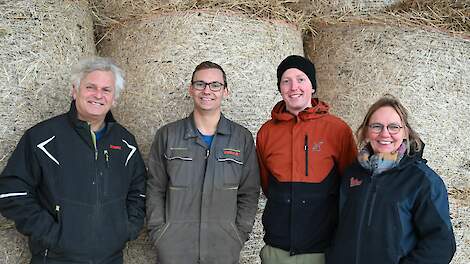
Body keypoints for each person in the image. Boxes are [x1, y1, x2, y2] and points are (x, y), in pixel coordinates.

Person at [0, 57, 146, 264]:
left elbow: (138, 191)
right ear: (74, 90)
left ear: (114, 98)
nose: (98, 95)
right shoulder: (42, 137)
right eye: (90, 87)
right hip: (55, 258)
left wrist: (125, 229)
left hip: (110, 258)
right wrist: (52, 235)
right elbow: (12, 192)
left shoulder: (126, 142)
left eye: (106, 90)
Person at [146, 61, 260, 264]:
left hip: (223, 250)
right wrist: (160, 234)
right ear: (191, 89)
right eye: (200, 84)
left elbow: (249, 192)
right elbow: (155, 188)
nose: (207, 90)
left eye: (215, 85)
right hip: (174, 252)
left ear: (226, 91)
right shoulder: (168, 135)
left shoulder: (241, 138)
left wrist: (238, 234)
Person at [327, 94, 456, 264]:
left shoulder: (423, 180)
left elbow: (441, 244)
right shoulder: (353, 173)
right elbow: (338, 226)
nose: (384, 133)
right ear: (366, 131)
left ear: (405, 132)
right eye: (376, 126)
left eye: (394, 127)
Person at [256, 55, 358, 264]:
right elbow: (267, 185)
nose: (294, 86)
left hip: (321, 251)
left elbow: (351, 187)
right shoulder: (266, 132)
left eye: (301, 79)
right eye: (286, 81)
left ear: (312, 86)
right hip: (276, 250)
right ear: (280, 88)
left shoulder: (337, 130)